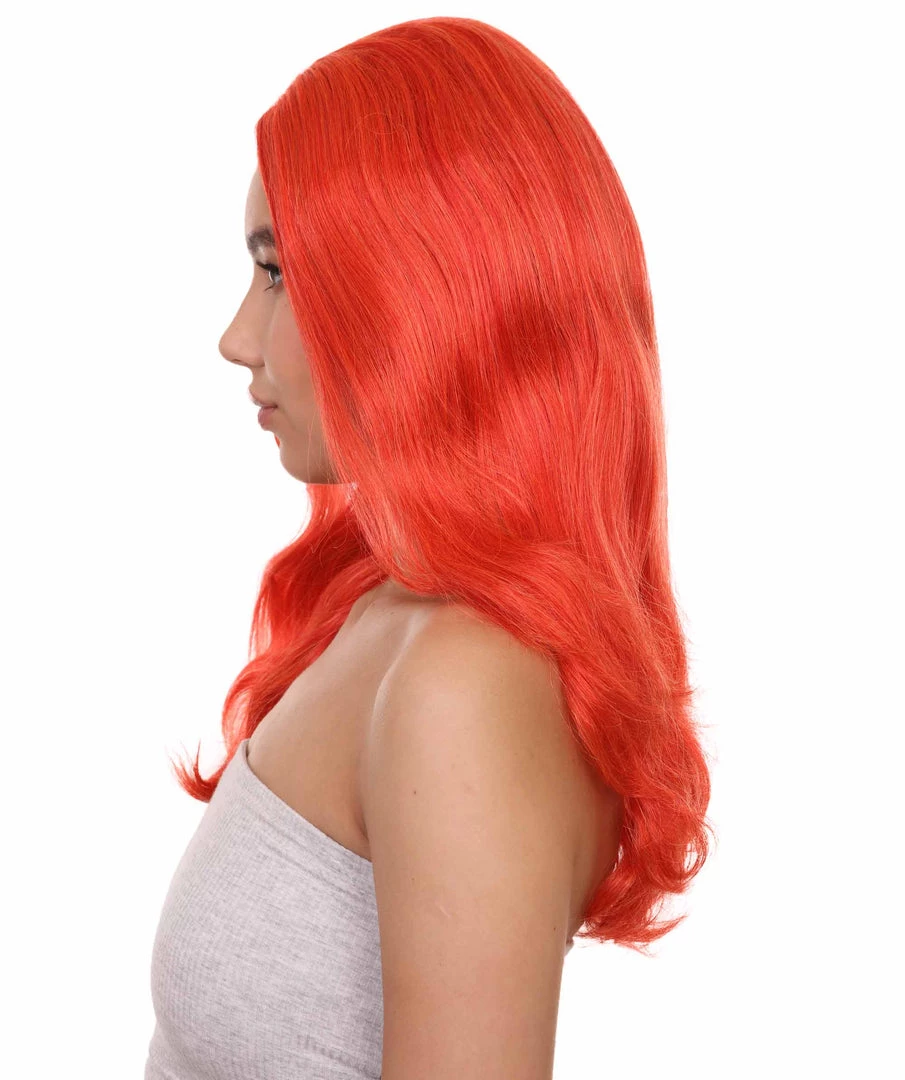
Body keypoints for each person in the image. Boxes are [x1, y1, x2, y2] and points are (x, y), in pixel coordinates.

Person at [145, 15, 713, 1080]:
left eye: (278, 272)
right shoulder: (388, 607)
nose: (235, 338)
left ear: (420, 287)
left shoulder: (464, 681)